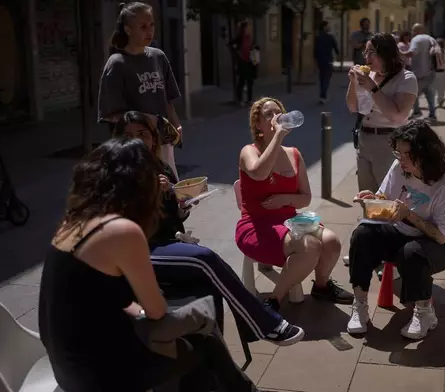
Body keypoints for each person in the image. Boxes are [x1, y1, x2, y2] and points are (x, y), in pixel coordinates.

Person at [39, 138, 262, 391]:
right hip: (99, 373)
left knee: (195, 338)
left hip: (66, 365)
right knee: (199, 342)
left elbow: (106, 299)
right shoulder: (122, 231)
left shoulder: (72, 224)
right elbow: (156, 311)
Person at [112, 111, 305, 346]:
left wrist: (182, 204)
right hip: (140, 251)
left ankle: (215, 354)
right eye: (129, 135)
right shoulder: (117, 174)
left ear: (153, 138)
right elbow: (119, 225)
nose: (137, 140)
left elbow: (173, 213)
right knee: (204, 259)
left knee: (208, 285)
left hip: (169, 242)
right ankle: (263, 323)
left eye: (142, 134)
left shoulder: (161, 167)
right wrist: (146, 193)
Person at [346, 120, 445, 339]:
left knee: (412, 252)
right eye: (397, 152)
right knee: (362, 234)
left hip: (442, 244)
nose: (400, 159)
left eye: (405, 154)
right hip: (401, 231)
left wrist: (408, 214)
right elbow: (385, 198)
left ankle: (425, 312)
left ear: (424, 153)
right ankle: (360, 304)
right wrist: (371, 199)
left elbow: (440, 236)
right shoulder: (399, 166)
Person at [235, 97, 354, 311]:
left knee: (332, 242)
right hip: (256, 225)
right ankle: (274, 300)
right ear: (259, 126)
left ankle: (321, 286)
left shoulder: (294, 154)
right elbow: (260, 174)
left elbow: (306, 197)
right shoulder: (249, 151)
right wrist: (278, 135)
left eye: (278, 112)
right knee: (309, 247)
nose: (276, 117)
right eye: (268, 115)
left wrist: (285, 199)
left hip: (290, 221)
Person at [98, 2, 182, 180]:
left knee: (171, 193)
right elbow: (110, 114)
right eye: (143, 27)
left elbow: (167, 100)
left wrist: (176, 123)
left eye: (151, 25)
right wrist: (144, 118)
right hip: (133, 148)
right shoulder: (117, 64)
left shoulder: (158, 57)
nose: (149, 31)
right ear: (128, 30)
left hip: (162, 142)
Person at [346, 33, 418, 193]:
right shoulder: (369, 76)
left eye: (371, 52)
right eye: (365, 52)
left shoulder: (406, 78)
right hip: (365, 140)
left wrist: (373, 88)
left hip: (389, 142)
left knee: (388, 197)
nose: (367, 57)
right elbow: (353, 107)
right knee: (366, 195)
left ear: (385, 53)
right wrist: (352, 83)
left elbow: (397, 116)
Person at [399, 24, 438, 122]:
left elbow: (412, 53)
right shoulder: (431, 38)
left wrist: (399, 53)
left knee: (411, 92)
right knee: (430, 93)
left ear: (416, 30)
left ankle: (416, 111)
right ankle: (432, 114)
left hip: (419, 72)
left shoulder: (416, 39)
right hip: (430, 72)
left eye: (413, 30)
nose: (412, 32)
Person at [230, 20, 258, 106]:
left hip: (250, 61)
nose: (247, 30)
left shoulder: (250, 38)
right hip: (242, 62)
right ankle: (240, 99)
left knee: (250, 81)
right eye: (245, 28)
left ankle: (249, 100)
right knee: (242, 81)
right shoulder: (239, 38)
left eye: (248, 28)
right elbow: (231, 45)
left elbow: (254, 47)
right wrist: (237, 54)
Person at [314, 21, 339, 104]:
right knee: (327, 78)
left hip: (320, 61)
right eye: (327, 26)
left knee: (322, 78)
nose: (329, 27)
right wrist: (338, 55)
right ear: (324, 27)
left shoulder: (317, 37)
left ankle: (322, 95)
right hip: (328, 60)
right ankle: (323, 95)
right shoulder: (330, 37)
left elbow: (315, 50)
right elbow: (335, 48)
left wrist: (316, 59)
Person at [433, 38, 445, 104]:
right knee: (433, 89)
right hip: (434, 72)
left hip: (442, 72)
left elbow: (444, 64)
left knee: (441, 89)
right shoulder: (433, 53)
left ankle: (440, 102)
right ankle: (433, 102)